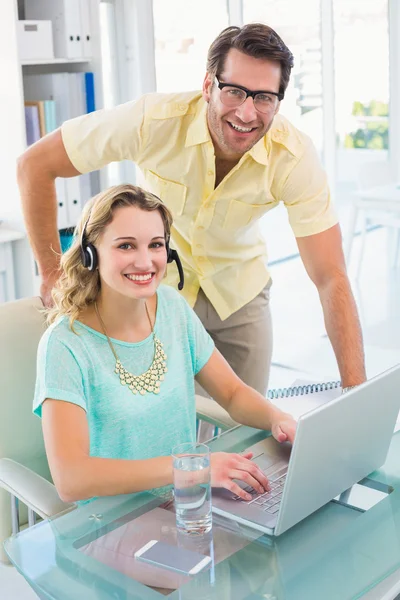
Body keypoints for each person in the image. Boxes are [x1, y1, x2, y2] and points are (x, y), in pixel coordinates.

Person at [19, 23, 366, 396]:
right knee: (164, 427)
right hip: (155, 292)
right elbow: (35, 166)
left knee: (250, 432)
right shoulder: (152, 122)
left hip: (239, 293)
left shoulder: (294, 157)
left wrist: (355, 393)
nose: (247, 113)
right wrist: (50, 273)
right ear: (207, 86)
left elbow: (331, 276)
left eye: (264, 97)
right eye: (234, 91)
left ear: (279, 102)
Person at [34, 184, 296, 504]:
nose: (145, 262)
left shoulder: (171, 307)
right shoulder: (64, 345)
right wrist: (192, 469)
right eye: (126, 246)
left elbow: (232, 392)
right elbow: (72, 480)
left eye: (156, 245)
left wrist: (278, 418)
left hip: (188, 502)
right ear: (91, 253)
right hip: (112, 525)